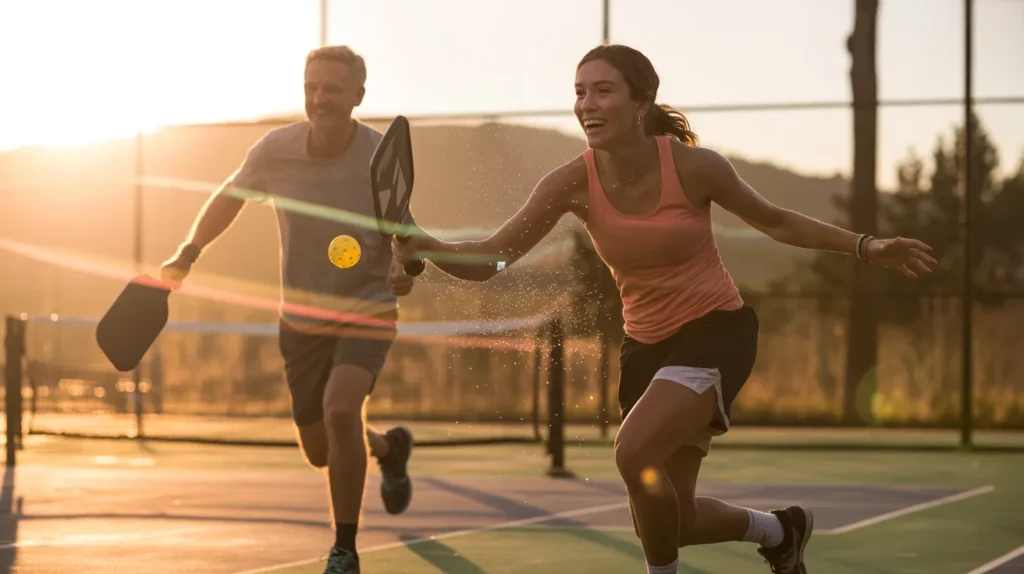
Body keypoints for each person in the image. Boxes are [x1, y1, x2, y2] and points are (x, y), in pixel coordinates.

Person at [393, 43, 937, 574]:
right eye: (580, 93)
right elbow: (494, 259)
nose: (587, 105)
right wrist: (423, 243)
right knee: (669, 522)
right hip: (646, 348)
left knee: (632, 453)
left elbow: (777, 221)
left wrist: (867, 247)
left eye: (603, 91)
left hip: (716, 331)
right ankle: (780, 530)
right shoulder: (569, 183)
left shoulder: (696, 168)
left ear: (642, 99)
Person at [161, 45, 418, 574]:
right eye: (311, 87)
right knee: (321, 449)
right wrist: (187, 253)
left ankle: (343, 550)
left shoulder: (377, 157)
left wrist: (402, 268)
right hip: (299, 319)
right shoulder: (276, 150)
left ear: (357, 96)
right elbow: (230, 197)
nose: (319, 98)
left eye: (331, 89)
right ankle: (389, 449)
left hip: (367, 308)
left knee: (342, 408)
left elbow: (405, 234)